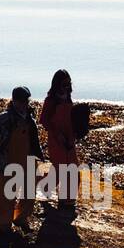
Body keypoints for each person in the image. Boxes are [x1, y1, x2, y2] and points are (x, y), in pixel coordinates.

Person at [0, 86, 43, 234]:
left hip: (27, 160)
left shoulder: (30, 118)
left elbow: (34, 141)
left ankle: (21, 218)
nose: (24, 104)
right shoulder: (4, 118)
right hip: (5, 162)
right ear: (14, 101)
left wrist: (39, 156)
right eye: (21, 101)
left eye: (26, 101)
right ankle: (3, 227)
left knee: (29, 194)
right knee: (5, 197)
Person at [40, 69, 78, 208]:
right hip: (56, 138)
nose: (67, 87)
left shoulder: (68, 98)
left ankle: (68, 198)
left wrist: (76, 132)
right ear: (57, 84)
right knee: (61, 168)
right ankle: (62, 197)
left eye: (68, 84)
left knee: (73, 167)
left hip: (70, 137)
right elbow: (44, 120)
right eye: (64, 84)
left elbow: (71, 118)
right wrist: (58, 134)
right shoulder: (51, 100)